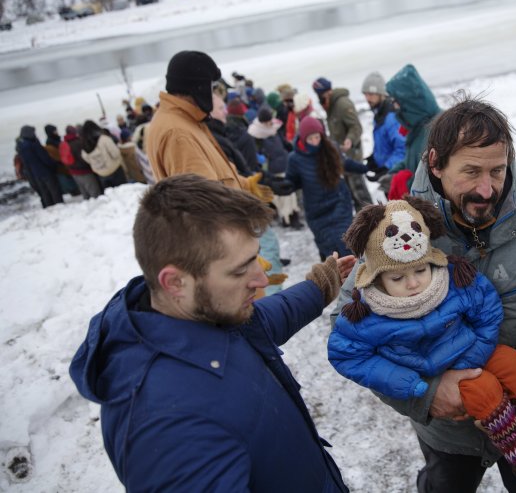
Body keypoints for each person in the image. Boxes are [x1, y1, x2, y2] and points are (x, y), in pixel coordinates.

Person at [334, 96, 516, 492]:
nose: (486, 188)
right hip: (444, 431)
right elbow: (348, 328)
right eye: (470, 171)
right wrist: (427, 396)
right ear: (435, 163)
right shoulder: (395, 230)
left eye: (497, 171)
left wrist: (515, 382)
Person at [69, 174, 353, 492]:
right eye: (240, 269)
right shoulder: (166, 427)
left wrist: (319, 287)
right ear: (175, 282)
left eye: (255, 259)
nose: (262, 279)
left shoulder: (201, 314)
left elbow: (266, 320)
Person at [145, 50, 286, 291]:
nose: (213, 95)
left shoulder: (185, 121)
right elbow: (202, 213)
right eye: (210, 88)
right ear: (197, 87)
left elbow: (213, 180)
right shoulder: (178, 133)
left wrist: (244, 186)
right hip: (226, 261)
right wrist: (241, 262)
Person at [285, 116, 368, 260]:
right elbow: (291, 182)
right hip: (316, 211)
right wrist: (284, 186)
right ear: (303, 139)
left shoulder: (330, 147)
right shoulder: (295, 159)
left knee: (346, 244)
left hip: (339, 203)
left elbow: (345, 163)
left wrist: (366, 168)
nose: (315, 142)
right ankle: (334, 278)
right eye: (310, 139)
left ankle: (358, 276)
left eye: (317, 137)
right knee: (329, 250)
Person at [312, 76, 373, 211]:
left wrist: (349, 140)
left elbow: (356, 127)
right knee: (352, 194)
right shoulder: (329, 105)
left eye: (322, 95)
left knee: (360, 194)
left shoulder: (343, 104)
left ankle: (373, 222)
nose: (321, 99)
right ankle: (361, 225)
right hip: (341, 157)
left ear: (329, 91)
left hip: (352, 155)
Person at [382, 64, 441, 195]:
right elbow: (413, 160)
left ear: (409, 102)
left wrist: (405, 183)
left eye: (396, 101)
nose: (394, 106)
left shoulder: (436, 129)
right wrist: (394, 173)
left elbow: (432, 179)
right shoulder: (419, 127)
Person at [361, 71, 406, 184]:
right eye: (365, 94)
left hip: (396, 176)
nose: (367, 98)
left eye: (371, 94)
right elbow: (384, 143)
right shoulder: (379, 114)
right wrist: (374, 159)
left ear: (381, 94)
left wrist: (386, 168)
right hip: (388, 176)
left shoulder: (391, 117)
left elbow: (402, 149)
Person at [15, 125, 63, 208]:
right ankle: (59, 206)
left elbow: (26, 162)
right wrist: (53, 165)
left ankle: (49, 207)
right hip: (45, 171)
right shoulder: (33, 144)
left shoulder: (20, 146)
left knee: (44, 192)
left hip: (34, 173)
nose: (35, 134)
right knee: (54, 190)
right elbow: (44, 157)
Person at [80, 120, 127, 189]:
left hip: (101, 173)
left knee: (111, 195)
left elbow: (87, 159)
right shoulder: (104, 139)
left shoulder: (84, 144)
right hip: (115, 170)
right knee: (124, 191)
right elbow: (115, 153)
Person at [60, 124, 103, 199]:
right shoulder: (78, 143)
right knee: (94, 192)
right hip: (84, 171)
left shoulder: (64, 143)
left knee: (85, 193)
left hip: (73, 172)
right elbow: (83, 158)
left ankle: (88, 207)